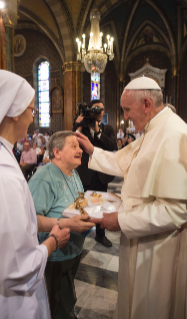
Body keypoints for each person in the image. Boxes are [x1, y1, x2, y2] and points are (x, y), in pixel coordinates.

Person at [76, 76, 187, 319]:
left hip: (157, 247)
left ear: (146, 104)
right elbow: (123, 160)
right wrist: (93, 150)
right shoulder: (153, 129)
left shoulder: (174, 134)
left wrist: (122, 221)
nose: (125, 117)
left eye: (127, 110)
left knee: (151, 304)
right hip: (140, 237)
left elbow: (176, 210)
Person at [0, 70, 70, 319]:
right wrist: (52, 242)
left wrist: (58, 222)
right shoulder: (1, 174)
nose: (32, 117)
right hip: (4, 300)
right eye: (32, 109)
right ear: (15, 112)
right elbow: (15, 268)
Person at [28, 131, 95, 319]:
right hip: (53, 256)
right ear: (57, 153)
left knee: (67, 300)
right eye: (73, 146)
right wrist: (66, 223)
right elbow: (31, 220)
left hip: (72, 251)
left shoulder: (73, 173)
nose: (80, 150)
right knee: (58, 308)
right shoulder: (44, 177)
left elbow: (79, 202)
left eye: (79, 146)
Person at [73, 99, 117, 247]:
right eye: (97, 109)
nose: (100, 112)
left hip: (101, 174)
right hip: (84, 173)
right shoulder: (82, 128)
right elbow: (72, 142)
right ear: (90, 111)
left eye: (102, 109)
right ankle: (80, 233)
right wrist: (77, 125)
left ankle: (100, 234)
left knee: (100, 205)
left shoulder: (107, 129)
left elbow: (112, 146)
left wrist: (98, 132)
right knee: (82, 205)